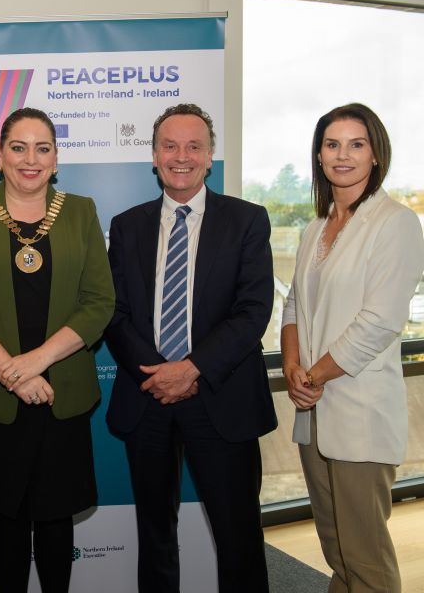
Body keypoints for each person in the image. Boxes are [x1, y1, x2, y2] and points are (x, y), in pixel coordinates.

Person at [106, 103, 277, 592]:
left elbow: (252, 311)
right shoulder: (127, 225)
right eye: (170, 145)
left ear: (209, 156)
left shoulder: (247, 221)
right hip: (148, 398)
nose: (181, 156)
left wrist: (192, 368)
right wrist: (159, 373)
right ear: (154, 156)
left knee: (238, 537)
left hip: (221, 397)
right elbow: (114, 313)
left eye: (193, 146)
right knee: (156, 536)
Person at [0, 107, 114, 593]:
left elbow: (99, 303)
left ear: (56, 159)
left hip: (63, 392)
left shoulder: (80, 211)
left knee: (57, 516)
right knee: (10, 516)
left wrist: (36, 363)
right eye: (18, 147)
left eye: (43, 148)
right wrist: (14, 374)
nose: (30, 159)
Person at [281, 103, 424, 593]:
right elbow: (294, 307)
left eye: (356, 144)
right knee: (336, 549)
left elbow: (379, 323)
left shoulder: (396, 224)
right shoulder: (313, 230)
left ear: (376, 155)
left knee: (365, 558)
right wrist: (294, 367)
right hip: (314, 410)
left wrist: (313, 376)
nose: (342, 155)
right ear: (319, 156)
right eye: (332, 144)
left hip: (359, 410)